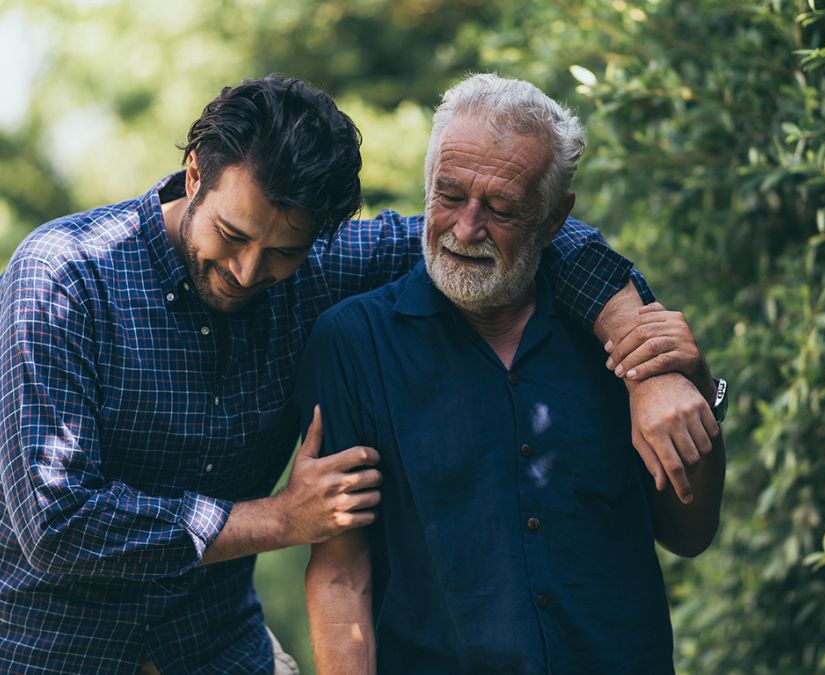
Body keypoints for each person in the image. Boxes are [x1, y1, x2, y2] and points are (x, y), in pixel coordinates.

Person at [0, 75, 715, 673]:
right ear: (195, 173)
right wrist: (281, 517)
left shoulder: (321, 266)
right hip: (49, 649)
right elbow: (56, 521)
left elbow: (529, 237)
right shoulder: (63, 276)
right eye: (232, 234)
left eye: (281, 251)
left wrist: (645, 357)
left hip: (215, 651)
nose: (250, 272)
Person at [297, 74, 726, 674]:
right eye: (448, 197)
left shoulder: (620, 334)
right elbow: (343, 572)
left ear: (554, 220)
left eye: (501, 209)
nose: (466, 230)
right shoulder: (354, 342)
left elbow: (689, 533)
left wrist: (697, 388)